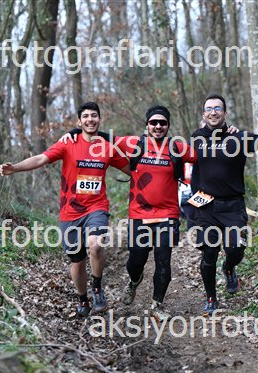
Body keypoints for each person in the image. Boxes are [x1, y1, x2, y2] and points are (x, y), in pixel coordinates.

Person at [59, 105, 197, 321]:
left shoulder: (177, 147)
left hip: (168, 214)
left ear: (168, 126)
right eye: (153, 122)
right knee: (135, 262)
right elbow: (101, 136)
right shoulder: (133, 143)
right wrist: (75, 132)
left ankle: (157, 304)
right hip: (140, 214)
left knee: (163, 261)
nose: (158, 126)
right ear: (147, 125)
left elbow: (205, 157)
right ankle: (134, 281)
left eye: (162, 123)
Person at [0, 102, 130, 317]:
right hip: (70, 212)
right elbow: (41, 158)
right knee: (77, 262)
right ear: (79, 121)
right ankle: (82, 298)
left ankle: (97, 288)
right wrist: (15, 168)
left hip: (96, 207)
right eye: (86, 116)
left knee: (96, 245)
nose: (90, 119)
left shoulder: (107, 147)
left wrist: (162, 170)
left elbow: (132, 169)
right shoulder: (68, 143)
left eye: (94, 116)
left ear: (99, 119)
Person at [190, 94, 258, 316]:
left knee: (236, 249)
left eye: (217, 108)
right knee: (209, 254)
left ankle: (229, 268)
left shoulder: (239, 137)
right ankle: (211, 298)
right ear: (203, 114)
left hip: (233, 205)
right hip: (206, 207)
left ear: (225, 113)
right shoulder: (197, 138)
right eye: (209, 109)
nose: (213, 112)